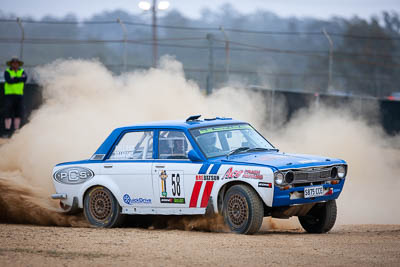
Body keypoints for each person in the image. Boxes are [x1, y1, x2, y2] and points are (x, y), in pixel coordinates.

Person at [3, 57, 27, 137]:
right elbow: (9, 81)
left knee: (18, 114)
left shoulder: (22, 71)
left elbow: (24, 79)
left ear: (18, 64)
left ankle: (16, 132)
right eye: (13, 63)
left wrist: (15, 79)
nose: (15, 64)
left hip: (19, 95)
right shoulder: (7, 71)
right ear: (11, 64)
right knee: (8, 114)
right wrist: (19, 79)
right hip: (9, 95)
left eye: (16, 63)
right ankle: (7, 131)